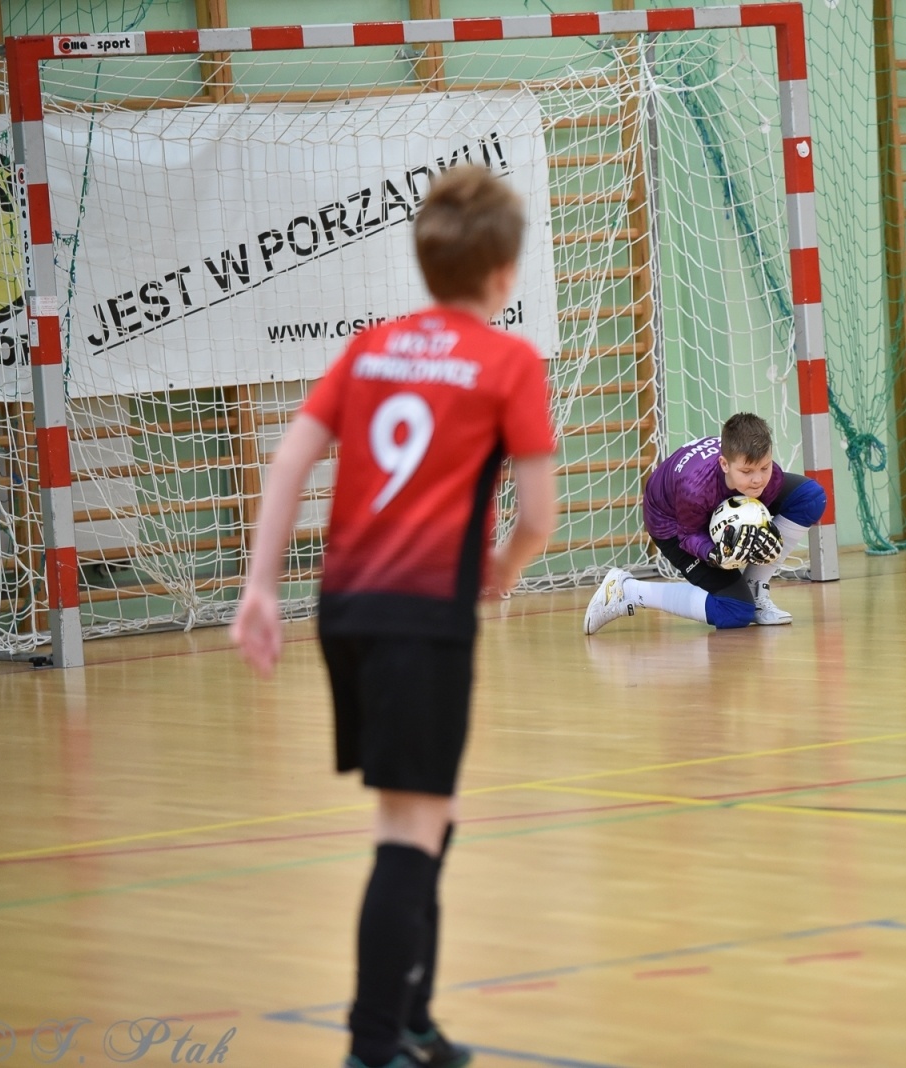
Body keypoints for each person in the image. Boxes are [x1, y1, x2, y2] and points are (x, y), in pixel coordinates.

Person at [231, 165, 557, 1068]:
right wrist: (499, 571)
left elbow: (290, 463)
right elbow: (537, 517)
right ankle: (374, 1046)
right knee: (408, 826)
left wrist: (261, 587)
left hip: (348, 607)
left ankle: (413, 1017)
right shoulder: (507, 362)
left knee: (432, 810)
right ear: (503, 276)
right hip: (423, 616)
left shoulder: (368, 347)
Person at [583, 412, 826, 634]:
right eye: (747, 471)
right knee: (736, 612)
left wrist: (765, 535)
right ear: (724, 464)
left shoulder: (766, 477)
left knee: (810, 498)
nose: (758, 479)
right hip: (674, 524)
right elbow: (688, 536)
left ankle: (754, 587)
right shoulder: (695, 489)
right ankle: (627, 591)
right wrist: (716, 556)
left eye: (765, 467)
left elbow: (768, 488)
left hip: (721, 499)